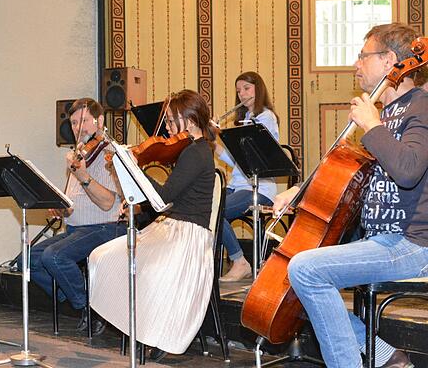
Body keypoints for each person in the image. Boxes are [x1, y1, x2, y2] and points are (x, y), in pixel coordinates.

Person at [274, 23, 428, 368]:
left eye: (363, 56)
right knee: (298, 272)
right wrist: (300, 191)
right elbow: (353, 177)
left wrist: (373, 127)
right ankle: (388, 357)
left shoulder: (422, 106)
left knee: (307, 270)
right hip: (380, 241)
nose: (356, 65)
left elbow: (408, 170)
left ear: (389, 60)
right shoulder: (383, 112)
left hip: (413, 244)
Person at [89, 89, 217, 356]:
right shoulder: (190, 151)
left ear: (190, 121)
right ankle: (142, 327)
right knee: (103, 256)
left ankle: (156, 332)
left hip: (186, 236)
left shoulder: (197, 153)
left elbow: (165, 197)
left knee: (138, 267)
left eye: (171, 121)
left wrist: (133, 168)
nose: (167, 128)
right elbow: (166, 202)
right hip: (170, 228)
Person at [26, 97, 124, 334]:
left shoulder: (110, 153)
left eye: (84, 121)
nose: (78, 128)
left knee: (54, 257)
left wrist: (82, 175)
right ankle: (82, 299)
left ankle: (90, 308)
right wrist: (62, 207)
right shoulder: (78, 154)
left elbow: (108, 203)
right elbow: (75, 202)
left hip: (104, 226)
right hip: (76, 228)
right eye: (73, 123)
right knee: (28, 260)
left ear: (99, 121)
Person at [216, 72, 280, 281]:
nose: (242, 94)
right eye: (238, 90)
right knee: (206, 206)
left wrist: (223, 133)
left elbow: (257, 157)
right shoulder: (244, 119)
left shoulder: (266, 118)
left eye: (246, 88)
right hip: (239, 185)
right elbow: (238, 161)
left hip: (259, 189)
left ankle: (239, 261)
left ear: (257, 89)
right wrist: (211, 142)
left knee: (217, 211)